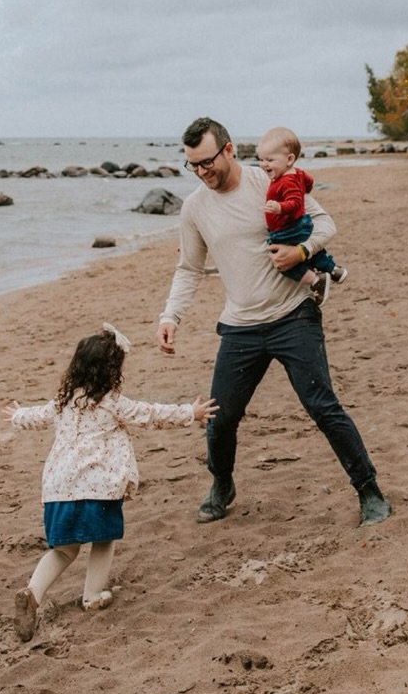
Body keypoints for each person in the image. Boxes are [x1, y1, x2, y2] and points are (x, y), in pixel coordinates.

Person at [157, 116, 391, 527]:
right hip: (239, 325)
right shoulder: (195, 207)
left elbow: (324, 223)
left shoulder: (272, 181)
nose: (201, 172)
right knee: (220, 416)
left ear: (229, 150)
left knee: (322, 406)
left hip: (292, 316)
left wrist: (302, 253)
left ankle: (369, 490)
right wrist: (171, 315)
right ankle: (222, 484)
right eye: (192, 165)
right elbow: (189, 267)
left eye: (206, 162)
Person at [6, 323, 211, 640]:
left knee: (63, 550)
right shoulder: (112, 402)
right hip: (96, 487)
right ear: (111, 372)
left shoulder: (63, 402)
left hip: (58, 489)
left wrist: (18, 415)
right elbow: (150, 414)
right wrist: (190, 412)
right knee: (103, 539)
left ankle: (33, 592)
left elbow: (35, 416)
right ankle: (92, 596)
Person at [255, 126, 347, 305]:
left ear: (289, 159)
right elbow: (309, 181)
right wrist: (306, 189)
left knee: (283, 263)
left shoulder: (286, 181)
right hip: (300, 224)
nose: (263, 164)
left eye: (270, 160)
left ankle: (315, 280)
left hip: (288, 227)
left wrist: (279, 208)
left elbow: (296, 203)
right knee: (316, 254)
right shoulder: (297, 173)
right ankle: (335, 271)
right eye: (260, 159)